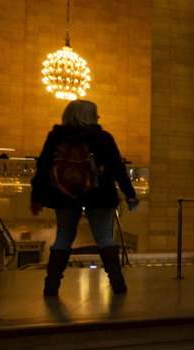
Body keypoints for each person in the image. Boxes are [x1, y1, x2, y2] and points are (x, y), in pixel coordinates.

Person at [31, 99, 139, 296]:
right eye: (96, 113)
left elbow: (43, 167)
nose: (98, 117)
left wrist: (36, 196)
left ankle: (51, 286)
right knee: (105, 237)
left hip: (64, 194)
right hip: (99, 194)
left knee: (63, 236)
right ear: (90, 115)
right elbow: (117, 168)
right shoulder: (103, 138)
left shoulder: (56, 137)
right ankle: (118, 284)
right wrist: (130, 194)